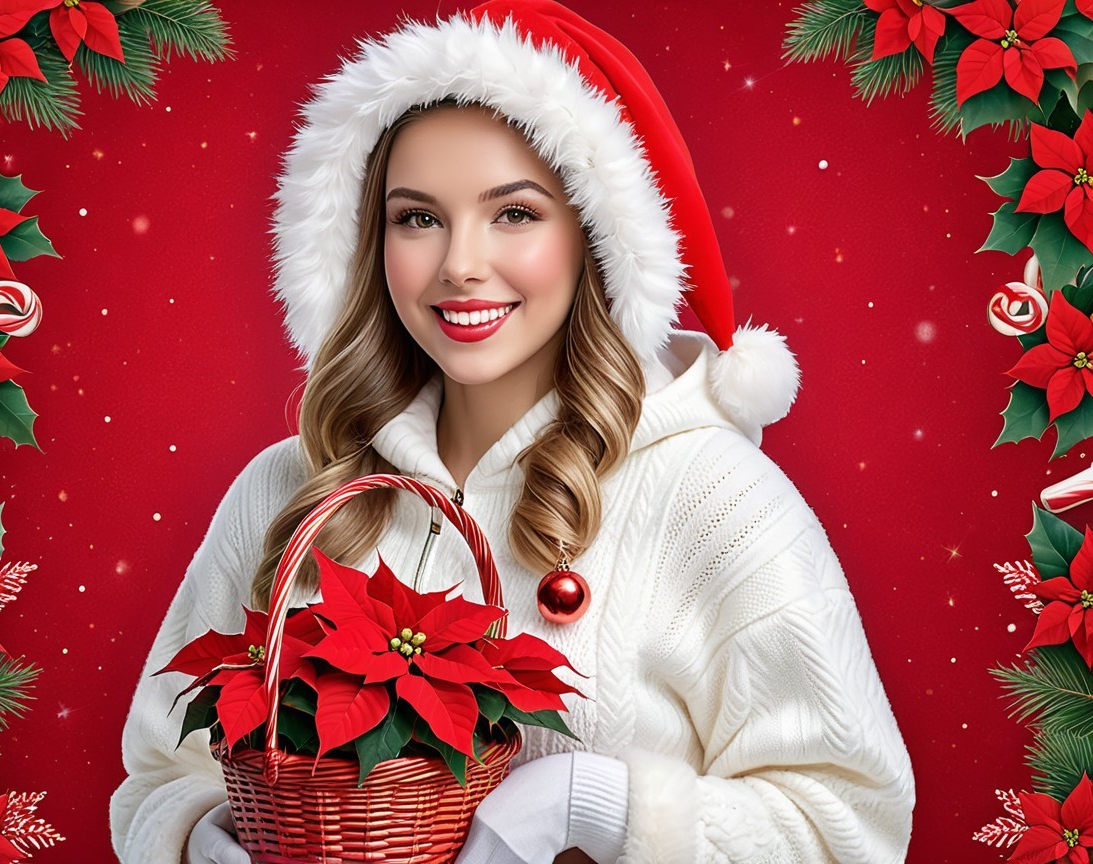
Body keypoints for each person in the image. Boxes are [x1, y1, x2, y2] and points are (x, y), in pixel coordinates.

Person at [110, 1, 916, 862]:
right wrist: (200, 838)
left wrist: (596, 807)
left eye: (516, 214)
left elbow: (850, 825)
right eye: (418, 218)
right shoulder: (286, 490)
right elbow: (161, 773)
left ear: (594, 236)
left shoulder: (716, 498)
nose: (460, 264)